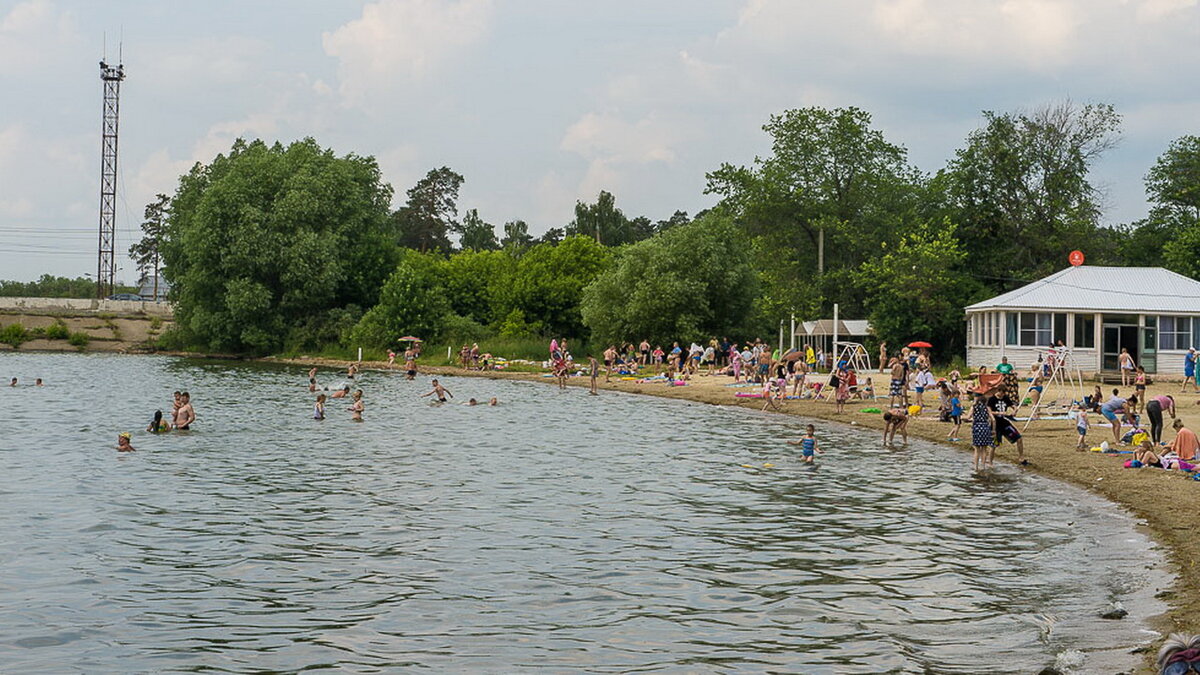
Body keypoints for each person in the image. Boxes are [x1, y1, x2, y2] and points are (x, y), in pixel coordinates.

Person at [988, 388, 1027, 464]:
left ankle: (1021, 457)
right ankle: (990, 462)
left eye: (1003, 393)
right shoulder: (992, 399)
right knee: (994, 445)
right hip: (995, 424)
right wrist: (999, 413)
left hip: (1005, 423)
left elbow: (1013, 406)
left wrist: (1014, 411)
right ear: (998, 391)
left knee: (1019, 438)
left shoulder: (1005, 398)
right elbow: (989, 411)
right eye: (1001, 393)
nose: (1002, 395)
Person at [970, 391, 994, 472]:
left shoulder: (974, 407)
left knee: (977, 450)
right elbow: (993, 419)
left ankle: (976, 467)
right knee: (984, 449)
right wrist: (993, 430)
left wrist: (962, 417)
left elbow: (968, 417)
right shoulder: (987, 408)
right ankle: (983, 466)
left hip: (977, 427)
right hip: (985, 427)